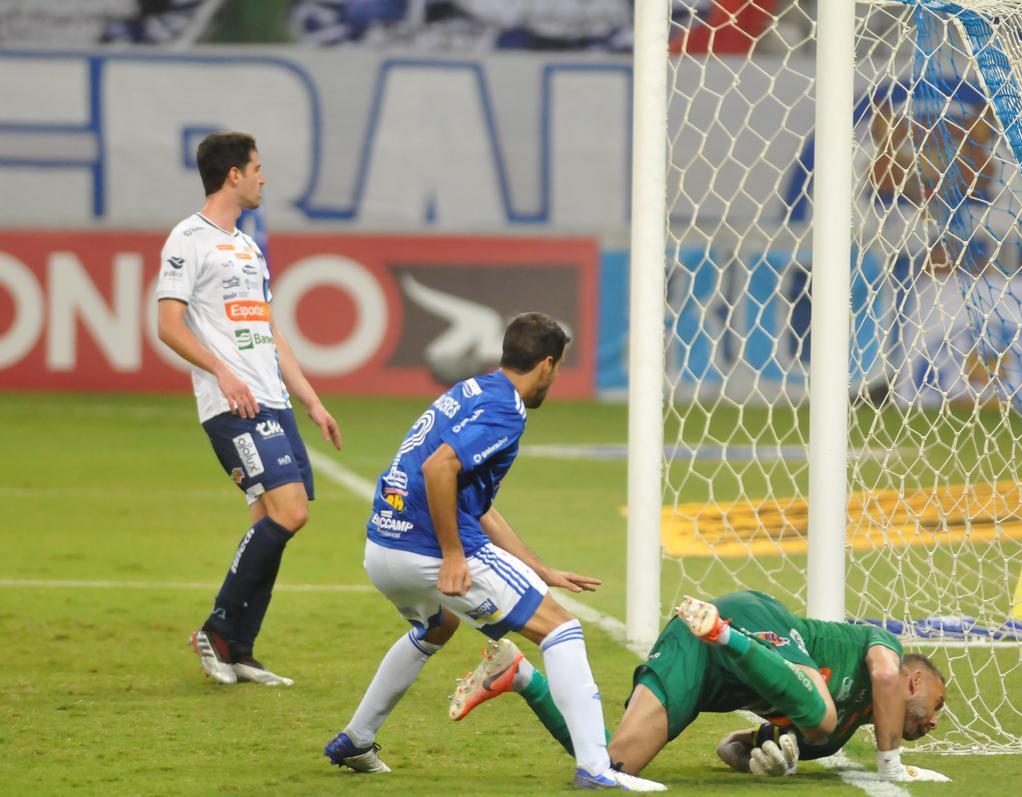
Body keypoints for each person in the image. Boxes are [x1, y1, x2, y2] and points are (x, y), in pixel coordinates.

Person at [322, 313, 665, 792]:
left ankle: (356, 738)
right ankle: (595, 767)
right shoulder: (506, 411)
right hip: (425, 548)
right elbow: (440, 469)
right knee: (561, 629)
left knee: (437, 625)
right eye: (559, 368)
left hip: (383, 546)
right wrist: (452, 555)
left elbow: (473, 501)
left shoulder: (474, 390)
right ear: (547, 365)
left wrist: (539, 567)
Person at [156, 131, 342, 687]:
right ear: (232, 175)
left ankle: (240, 648)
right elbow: (167, 326)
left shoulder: (248, 245)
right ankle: (213, 630)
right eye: (257, 168)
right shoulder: (188, 238)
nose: (264, 177)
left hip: (273, 402)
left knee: (271, 521)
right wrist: (222, 370)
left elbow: (268, 328)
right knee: (291, 513)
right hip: (231, 403)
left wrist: (308, 397)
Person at [452, 590, 951, 783]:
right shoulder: (879, 648)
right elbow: (884, 675)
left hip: (710, 670)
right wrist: (891, 766)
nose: (933, 719)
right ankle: (723, 632)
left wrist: (772, 760)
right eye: (937, 703)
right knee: (818, 717)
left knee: (607, 766)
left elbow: (730, 747)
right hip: (755, 622)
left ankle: (518, 675)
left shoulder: (840, 738)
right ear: (915, 679)